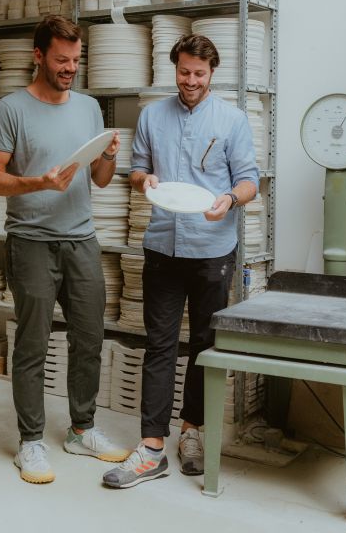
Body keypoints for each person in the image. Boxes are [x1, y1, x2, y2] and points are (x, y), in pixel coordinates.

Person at [103, 34, 259, 488]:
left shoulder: (231, 119)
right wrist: (143, 179)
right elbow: (136, 170)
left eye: (199, 74)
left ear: (212, 74)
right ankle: (152, 446)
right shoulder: (153, 115)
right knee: (160, 344)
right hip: (162, 247)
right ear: (175, 68)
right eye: (184, 72)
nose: (191, 81)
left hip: (213, 249)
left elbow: (249, 181)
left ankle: (192, 431)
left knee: (205, 346)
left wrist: (229, 199)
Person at [0, 15, 129, 484]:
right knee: (33, 344)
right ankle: (30, 442)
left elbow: (100, 181)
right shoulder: (11, 109)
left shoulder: (88, 108)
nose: (70, 69)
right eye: (62, 60)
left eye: (76, 61)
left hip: (82, 240)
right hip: (30, 242)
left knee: (89, 338)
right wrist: (36, 181)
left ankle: (81, 430)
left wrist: (108, 156)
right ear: (38, 55)